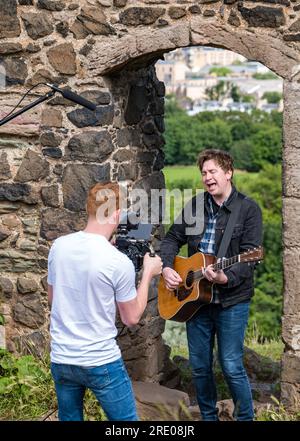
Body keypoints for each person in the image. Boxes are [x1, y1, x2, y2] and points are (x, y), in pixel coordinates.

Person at [160, 149, 263, 421]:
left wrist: (225, 277)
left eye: (213, 171)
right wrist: (168, 267)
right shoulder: (195, 206)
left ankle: (245, 418)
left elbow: (251, 255)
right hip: (195, 303)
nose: (207, 178)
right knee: (200, 367)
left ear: (228, 173)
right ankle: (208, 417)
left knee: (230, 365)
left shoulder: (248, 209)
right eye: (204, 173)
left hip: (232, 300)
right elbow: (171, 239)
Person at [47, 182, 162, 421]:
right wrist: (148, 273)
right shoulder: (117, 262)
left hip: (62, 357)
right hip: (100, 360)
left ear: (89, 209)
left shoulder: (59, 247)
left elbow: (53, 300)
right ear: (118, 215)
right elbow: (131, 318)